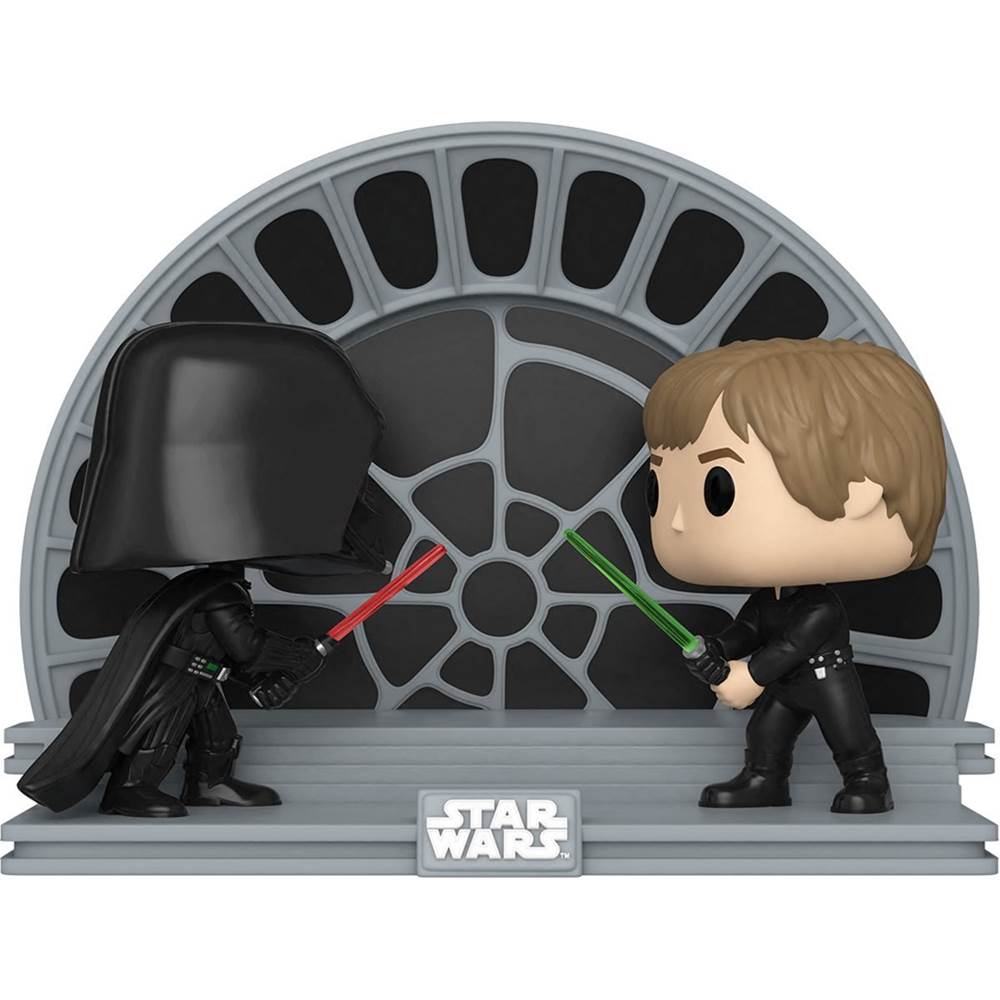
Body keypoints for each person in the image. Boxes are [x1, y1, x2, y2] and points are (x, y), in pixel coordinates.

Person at [19, 320, 387, 818]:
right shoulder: (219, 593)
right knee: (159, 728)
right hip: (177, 677)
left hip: (202, 675)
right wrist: (296, 656)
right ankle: (131, 789)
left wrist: (278, 670)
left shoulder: (216, 588)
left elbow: (239, 656)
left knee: (216, 733)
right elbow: (248, 647)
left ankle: (208, 783)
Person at [643, 337, 946, 813]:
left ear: (861, 491)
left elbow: (788, 646)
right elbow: (751, 629)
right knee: (765, 732)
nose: (677, 521)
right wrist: (716, 649)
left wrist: (748, 677)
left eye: (717, 489)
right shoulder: (772, 597)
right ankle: (765, 780)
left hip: (827, 679)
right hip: (787, 685)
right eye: (657, 488)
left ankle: (869, 782)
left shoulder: (820, 608)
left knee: (851, 735)